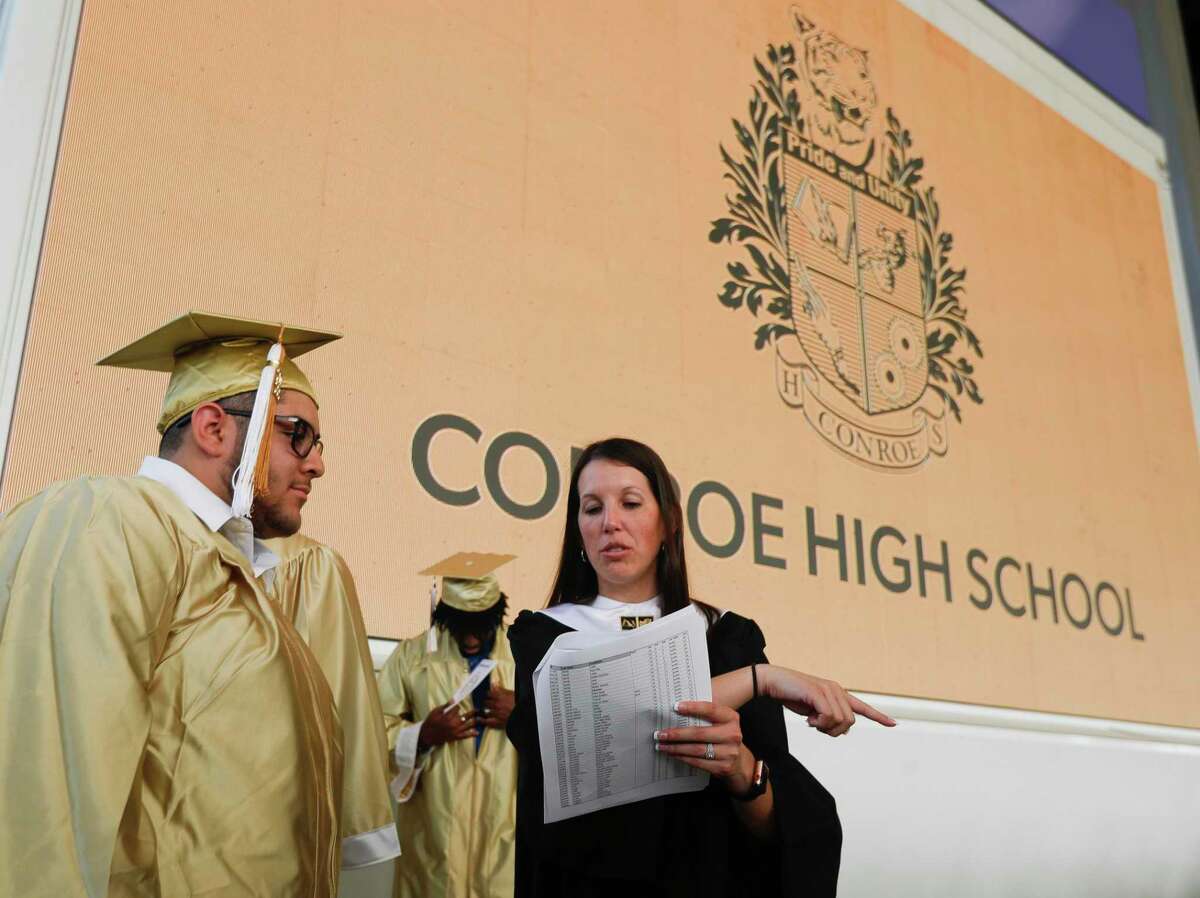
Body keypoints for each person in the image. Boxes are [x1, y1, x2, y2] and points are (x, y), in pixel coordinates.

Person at [0, 311, 345, 896]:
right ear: (213, 428)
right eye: (297, 434)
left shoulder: (236, 573)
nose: (316, 462)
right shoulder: (112, 521)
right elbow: (46, 783)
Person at [506, 437, 893, 897]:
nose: (611, 523)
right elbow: (596, 722)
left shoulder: (725, 636)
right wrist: (759, 679)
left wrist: (741, 768)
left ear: (669, 522)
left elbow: (774, 824)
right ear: (578, 531)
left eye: (631, 503)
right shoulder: (544, 637)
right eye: (592, 509)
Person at [378, 553, 519, 898]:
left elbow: (569, 738)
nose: (471, 638)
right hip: (433, 835)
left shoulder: (524, 660)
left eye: (480, 627)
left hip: (505, 834)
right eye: (460, 627)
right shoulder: (412, 659)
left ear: (497, 616)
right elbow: (374, 732)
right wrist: (422, 735)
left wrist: (523, 714)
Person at [266, 532, 402, 870]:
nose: (316, 473)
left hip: (269, 823)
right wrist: (424, 734)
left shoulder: (310, 568)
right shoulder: (414, 658)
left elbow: (346, 707)